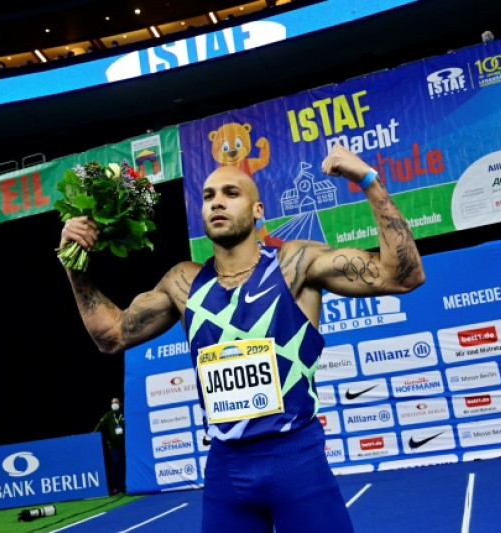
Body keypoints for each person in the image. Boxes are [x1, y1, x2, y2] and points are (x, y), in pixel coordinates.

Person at [59, 144, 425, 532]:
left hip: (297, 462)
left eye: (231, 193)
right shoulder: (182, 283)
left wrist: (367, 179)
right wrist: (73, 262)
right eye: (208, 196)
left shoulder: (294, 265)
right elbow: (111, 336)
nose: (217, 202)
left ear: (257, 210)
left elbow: (403, 275)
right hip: (226, 472)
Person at [92, 396, 126, 494]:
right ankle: (116, 487)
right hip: (113, 447)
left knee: (124, 466)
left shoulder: (124, 414)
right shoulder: (108, 416)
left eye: (116, 402)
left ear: (120, 404)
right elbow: (97, 428)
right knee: (115, 467)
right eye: (112, 403)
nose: (114, 404)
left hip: (124, 446)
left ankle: (125, 486)